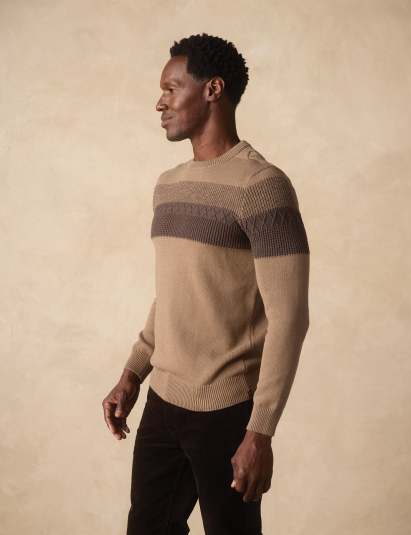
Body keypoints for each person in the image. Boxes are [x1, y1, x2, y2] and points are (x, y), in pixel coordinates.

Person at [102, 32, 310, 535]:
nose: (160, 103)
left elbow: (289, 319)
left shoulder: (262, 187)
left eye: (171, 89)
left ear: (213, 89)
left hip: (226, 411)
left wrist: (260, 431)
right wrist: (133, 372)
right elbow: (175, 293)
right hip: (162, 402)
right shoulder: (168, 186)